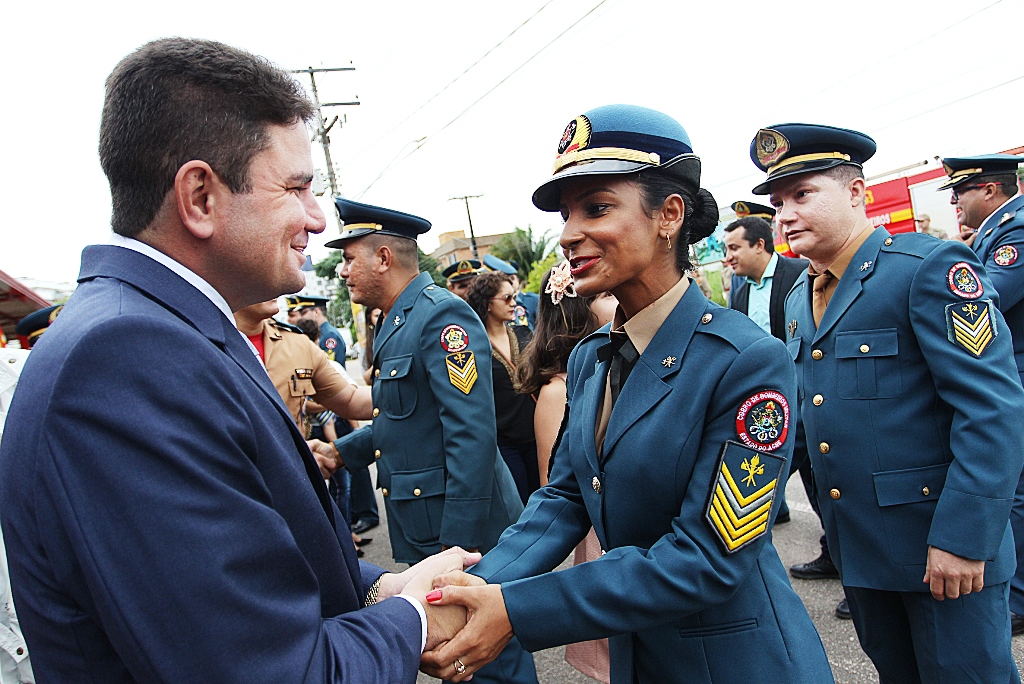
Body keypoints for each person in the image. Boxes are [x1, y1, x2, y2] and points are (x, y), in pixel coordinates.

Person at [0, 37, 480, 683]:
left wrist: (377, 592)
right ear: (200, 196)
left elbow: (253, 569)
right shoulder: (124, 359)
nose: (316, 219)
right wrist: (415, 615)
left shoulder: (167, 330)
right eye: (298, 188)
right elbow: (269, 669)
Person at [420, 104, 832, 683]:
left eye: (597, 208)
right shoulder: (592, 357)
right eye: (567, 214)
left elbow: (708, 559)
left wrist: (515, 610)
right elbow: (562, 498)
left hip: (736, 662)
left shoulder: (744, 363)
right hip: (642, 658)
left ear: (669, 215)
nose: (567, 235)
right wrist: (479, 585)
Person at [753, 123, 1024, 682]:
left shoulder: (927, 269)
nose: (785, 214)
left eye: (803, 195)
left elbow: (992, 407)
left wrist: (962, 539)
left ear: (856, 193)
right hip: (865, 550)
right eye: (779, 202)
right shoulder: (803, 294)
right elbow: (804, 416)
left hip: (943, 553)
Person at [311, 197, 538, 684]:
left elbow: (471, 432)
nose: (344, 271)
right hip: (429, 525)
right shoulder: (398, 320)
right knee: (461, 658)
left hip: (461, 531)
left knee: (489, 657)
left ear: (384, 258)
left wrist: (456, 543)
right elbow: (404, 419)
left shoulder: (441, 317)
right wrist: (340, 452)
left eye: (350, 257)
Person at [514, 260, 615, 683]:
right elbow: (554, 486)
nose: (618, 302)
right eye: (608, 296)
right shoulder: (559, 390)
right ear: (580, 310)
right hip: (597, 530)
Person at [942, 153, 1024, 634]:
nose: (954, 201)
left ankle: (1016, 599)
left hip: (1012, 374)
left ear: (989, 191)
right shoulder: (998, 230)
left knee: (1013, 494)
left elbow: (984, 293)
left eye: (961, 192)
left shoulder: (1014, 230)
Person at [466, 271, 537, 504]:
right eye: (507, 298)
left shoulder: (524, 332)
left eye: (514, 296)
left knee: (543, 499)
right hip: (503, 441)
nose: (514, 303)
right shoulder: (473, 347)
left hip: (537, 434)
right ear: (487, 303)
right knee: (518, 506)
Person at [293, 294, 347, 363]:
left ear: (316, 312)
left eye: (303, 313)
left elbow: (330, 365)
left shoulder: (329, 335)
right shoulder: (320, 333)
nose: (300, 318)